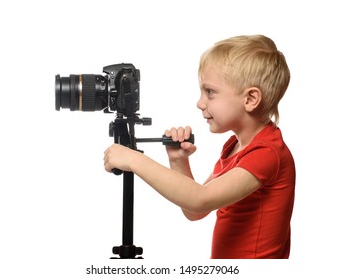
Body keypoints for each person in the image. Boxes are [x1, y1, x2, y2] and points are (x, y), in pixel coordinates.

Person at [103, 34, 295, 259]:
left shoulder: (267, 153)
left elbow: (200, 198)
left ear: (251, 99)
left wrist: (134, 160)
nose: (200, 102)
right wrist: (178, 160)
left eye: (210, 92)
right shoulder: (235, 146)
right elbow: (196, 211)